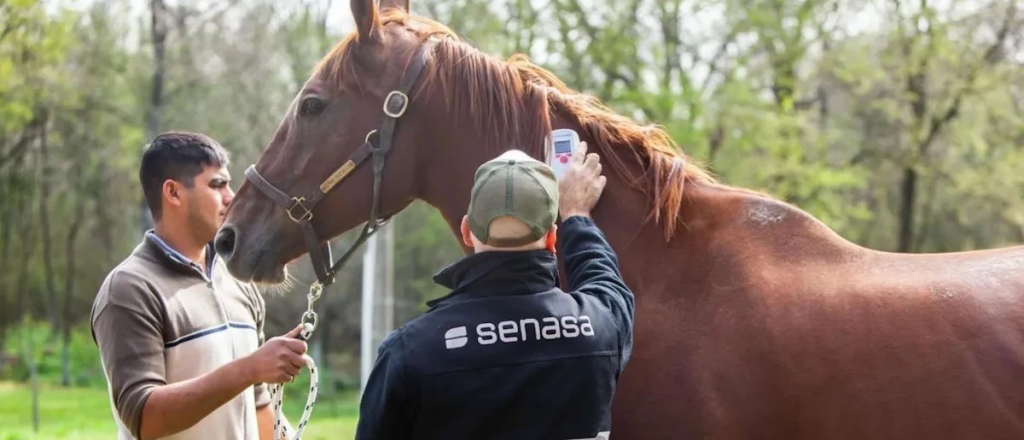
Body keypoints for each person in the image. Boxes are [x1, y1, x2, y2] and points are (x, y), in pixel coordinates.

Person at [355, 142, 636, 440]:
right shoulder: (603, 326)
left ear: (466, 232)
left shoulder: (408, 351)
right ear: (553, 239)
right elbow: (603, 277)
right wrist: (577, 215)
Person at [90, 131, 307, 440]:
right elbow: (144, 418)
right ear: (173, 193)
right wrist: (249, 368)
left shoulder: (237, 280)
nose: (230, 197)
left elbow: (257, 406)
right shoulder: (129, 289)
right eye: (217, 185)